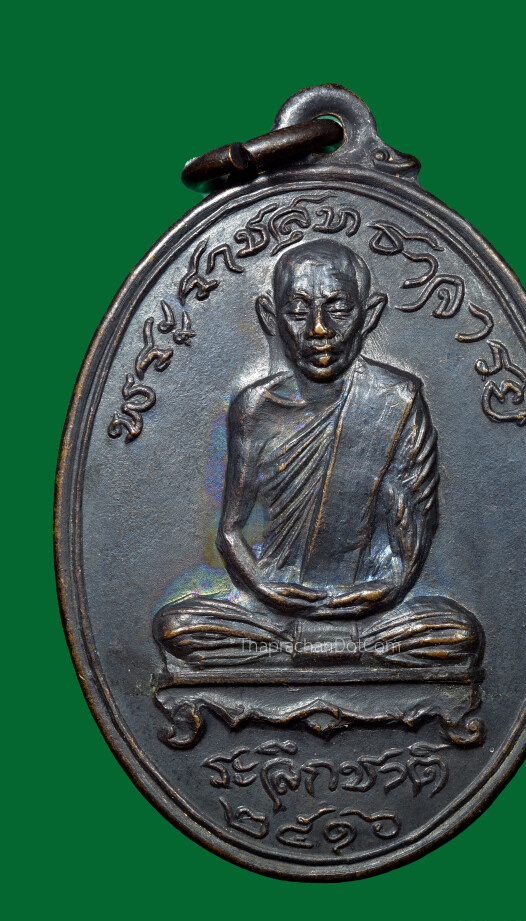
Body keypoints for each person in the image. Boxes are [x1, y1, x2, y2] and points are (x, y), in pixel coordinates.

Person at [154, 239, 483, 672]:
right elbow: (230, 531)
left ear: (369, 315)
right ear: (270, 317)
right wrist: (264, 587)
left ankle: (306, 649)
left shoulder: (397, 401)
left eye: (338, 309)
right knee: (176, 627)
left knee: (460, 633)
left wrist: (386, 589)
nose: (319, 329)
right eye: (297, 311)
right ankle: (324, 648)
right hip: (272, 612)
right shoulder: (255, 409)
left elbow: (411, 538)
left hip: (370, 614)